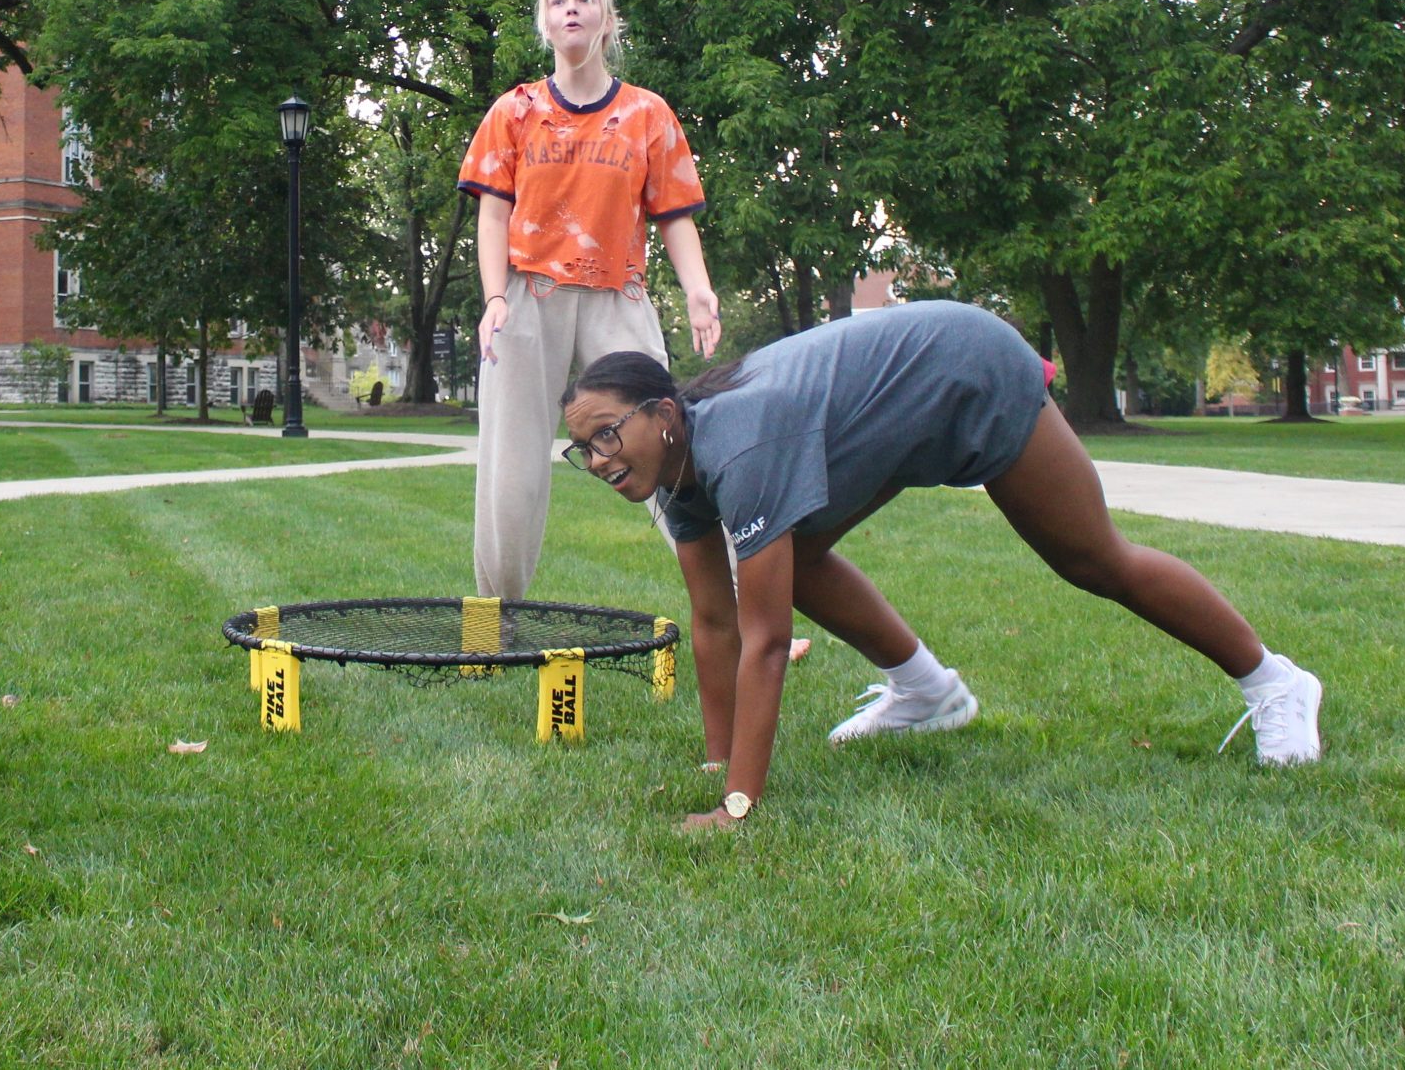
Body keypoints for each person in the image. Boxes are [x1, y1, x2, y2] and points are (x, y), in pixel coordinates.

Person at [558, 300, 1324, 831]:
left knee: (1093, 559)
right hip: (902, 420)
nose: (596, 460)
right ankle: (928, 693)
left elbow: (762, 639)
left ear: (662, 417)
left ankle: (1276, 682)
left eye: (604, 435)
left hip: (966, 372)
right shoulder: (678, 466)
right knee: (803, 557)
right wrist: (716, 759)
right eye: (581, 446)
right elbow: (714, 619)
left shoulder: (739, 445)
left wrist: (735, 806)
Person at [459, 0, 723, 601]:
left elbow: (675, 216)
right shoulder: (515, 112)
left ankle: (740, 606)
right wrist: (494, 299)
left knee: (667, 445)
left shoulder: (647, 115)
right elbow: (492, 218)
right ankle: (497, 619)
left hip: (619, 299)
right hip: (527, 300)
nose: (571, 8)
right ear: (545, 23)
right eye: (557, 1)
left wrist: (698, 289)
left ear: (606, 22)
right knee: (512, 468)